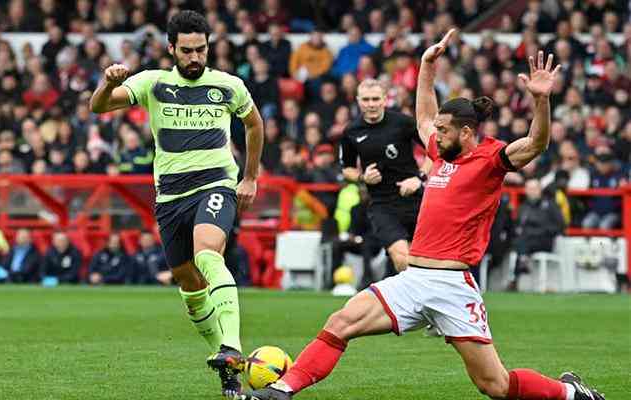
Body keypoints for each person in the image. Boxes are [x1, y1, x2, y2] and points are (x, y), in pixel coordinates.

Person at [242, 30, 605, 400]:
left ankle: (571, 394)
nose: (435, 135)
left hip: (451, 285)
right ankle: (282, 390)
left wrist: (541, 101)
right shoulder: (442, 155)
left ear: (466, 133)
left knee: (494, 385)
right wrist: (426, 67)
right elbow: (424, 117)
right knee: (341, 321)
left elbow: (536, 143)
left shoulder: (490, 159)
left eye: (444, 131)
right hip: (413, 279)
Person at [89, 10, 264, 398]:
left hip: (215, 184)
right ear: (171, 48)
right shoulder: (153, 83)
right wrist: (106, 82)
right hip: (169, 196)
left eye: (201, 49)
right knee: (189, 285)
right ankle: (226, 367)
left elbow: (253, 123)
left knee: (207, 255)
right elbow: (98, 107)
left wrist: (249, 176)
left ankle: (232, 346)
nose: (195, 58)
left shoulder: (228, 85)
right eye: (186, 51)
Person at [338, 78, 427, 278]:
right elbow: (347, 169)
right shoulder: (351, 131)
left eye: (375, 99)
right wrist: (363, 177)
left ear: (385, 100)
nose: (371, 104)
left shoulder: (402, 122)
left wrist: (419, 178)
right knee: (401, 257)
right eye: (366, 99)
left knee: (424, 259)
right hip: (382, 204)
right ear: (358, 101)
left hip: (415, 199)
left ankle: (419, 302)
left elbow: (435, 151)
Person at [509, 179, 565, 291]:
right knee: (520, 239)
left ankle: (516, 277)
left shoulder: (550, 205)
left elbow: (561, 225)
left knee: (522, 241)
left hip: (544, 241)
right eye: (529, 189)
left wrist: (542, 231)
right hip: (526, 241)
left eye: (534, 188)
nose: (532, 191)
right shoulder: (524, 207)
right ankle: (522, 263)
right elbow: (517, 225)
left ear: (540, 190)